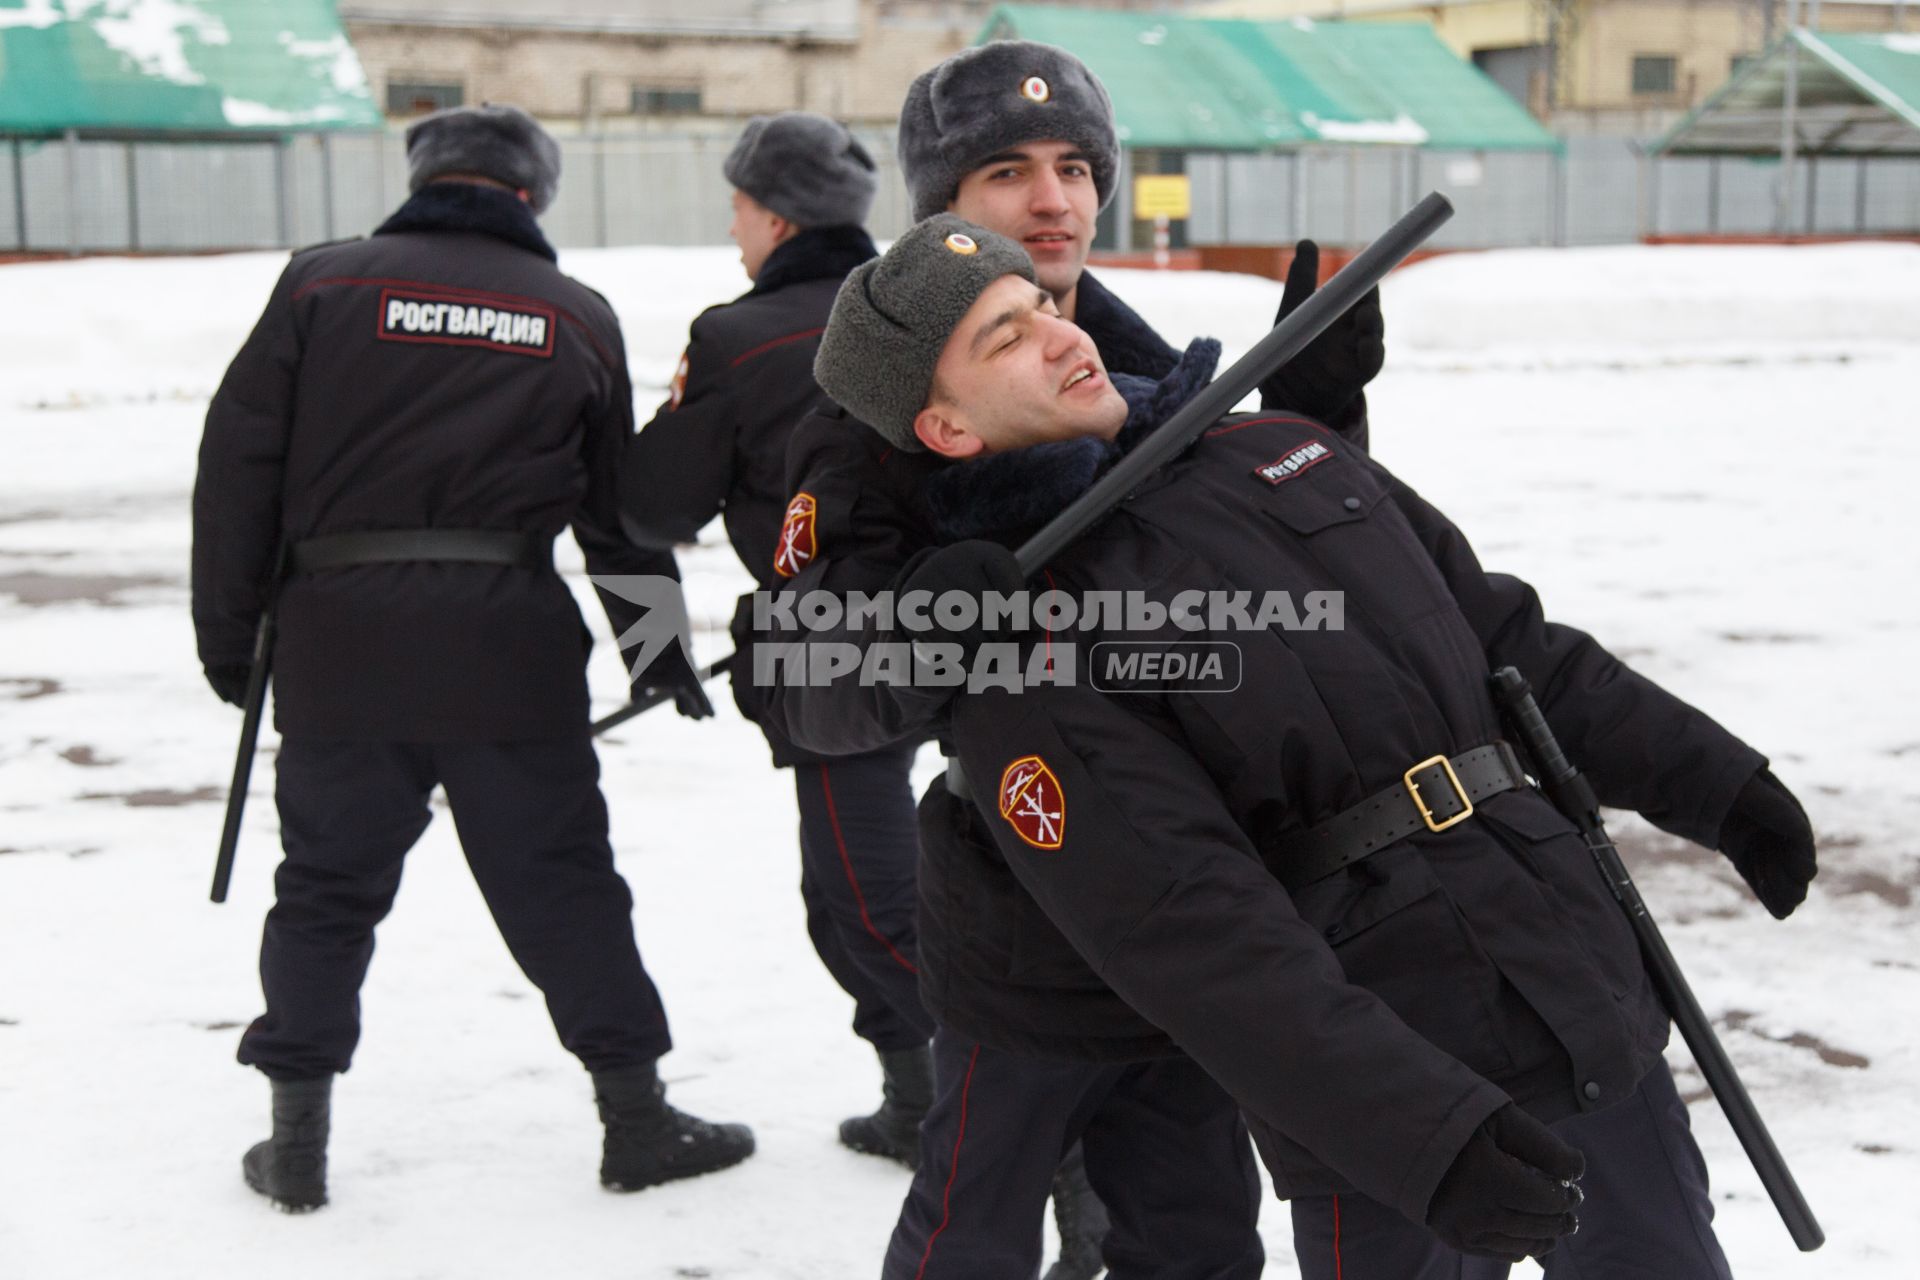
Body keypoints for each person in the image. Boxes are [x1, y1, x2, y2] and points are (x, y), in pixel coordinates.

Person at [804, 212, 1822, 1276]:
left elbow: (1509, 643)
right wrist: (1420, 1133)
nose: (1062, 335)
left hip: (1580, 988)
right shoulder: (1033, 633)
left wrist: (1716, 781)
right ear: (948, 429)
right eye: (1002, 340)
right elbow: (1190, 926)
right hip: (1386, 1078)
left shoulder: (1273, 448)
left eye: (1043, 306)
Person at [759, 41, 1378, 1279]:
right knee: (973, 1220)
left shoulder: (1156, 373)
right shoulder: (877, 407)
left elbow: (1320, 594)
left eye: (1075, 168)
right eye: (1006, 170)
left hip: (1207, 893)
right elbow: (797, 677)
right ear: (940, 207)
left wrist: (1318, 429)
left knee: (1198, 1230)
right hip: (1030, 903)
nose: (1054, 202)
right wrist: (922, 621)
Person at [191, 104, 753, 1213]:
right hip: (508, 651)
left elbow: (237, 467)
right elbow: (616, 512)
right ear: (532, 194)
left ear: (423, 177)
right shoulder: (574, 314)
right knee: (564, 887)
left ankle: (296, 1139)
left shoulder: (322, 285)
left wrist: (230, 643)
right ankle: (636, 1118)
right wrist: (655, 650)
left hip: (338, 645)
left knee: (323, 889)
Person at [617, 113, 940, 1165]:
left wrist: (654, 648)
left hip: (837, 649)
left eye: (739, 210)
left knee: (869, 905)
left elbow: (647, 509)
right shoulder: (933, 304)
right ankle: (919, 1100)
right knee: (863, 893)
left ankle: (1018, 1114)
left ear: (776, 214)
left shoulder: (739, 336)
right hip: (985, 622)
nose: (733, 230)